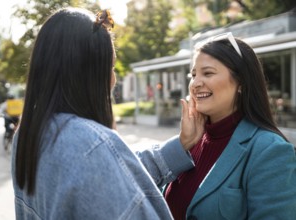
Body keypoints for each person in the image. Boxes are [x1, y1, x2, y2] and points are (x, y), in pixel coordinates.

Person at [11, 7, 206, 220]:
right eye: (110, 67)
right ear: (89, 72)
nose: (114, 79)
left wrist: (180, 145)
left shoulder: (27, 134)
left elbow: (116, 176)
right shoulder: (90, 144)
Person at [164, 32, 296, 219]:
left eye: (208, 73)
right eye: (193, 75)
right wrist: (181, 144)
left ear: (241, 81)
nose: (195, 83)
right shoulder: (189, 142)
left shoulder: (270, 150)